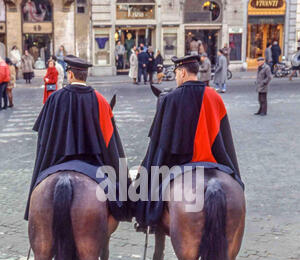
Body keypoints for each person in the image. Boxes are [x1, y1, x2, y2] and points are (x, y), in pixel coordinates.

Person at [134, 55, 243, 229]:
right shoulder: (215, 97)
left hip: (182, 163)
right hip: (213, 161)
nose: (176, 77)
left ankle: (148, 220)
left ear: (183, 72)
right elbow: (225, 139)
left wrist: (145, 168)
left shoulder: (170, 98)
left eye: (176, 73)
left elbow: (160, 143)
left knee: (151, 185)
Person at [25, 54, 131, 222]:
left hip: (57, 161)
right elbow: (111, 141)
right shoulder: (100, 100)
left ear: (70, 74)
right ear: (85, 75)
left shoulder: (54, 99)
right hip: (92, 162)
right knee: (116, 200)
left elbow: (43, 138)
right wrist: (122, 180)